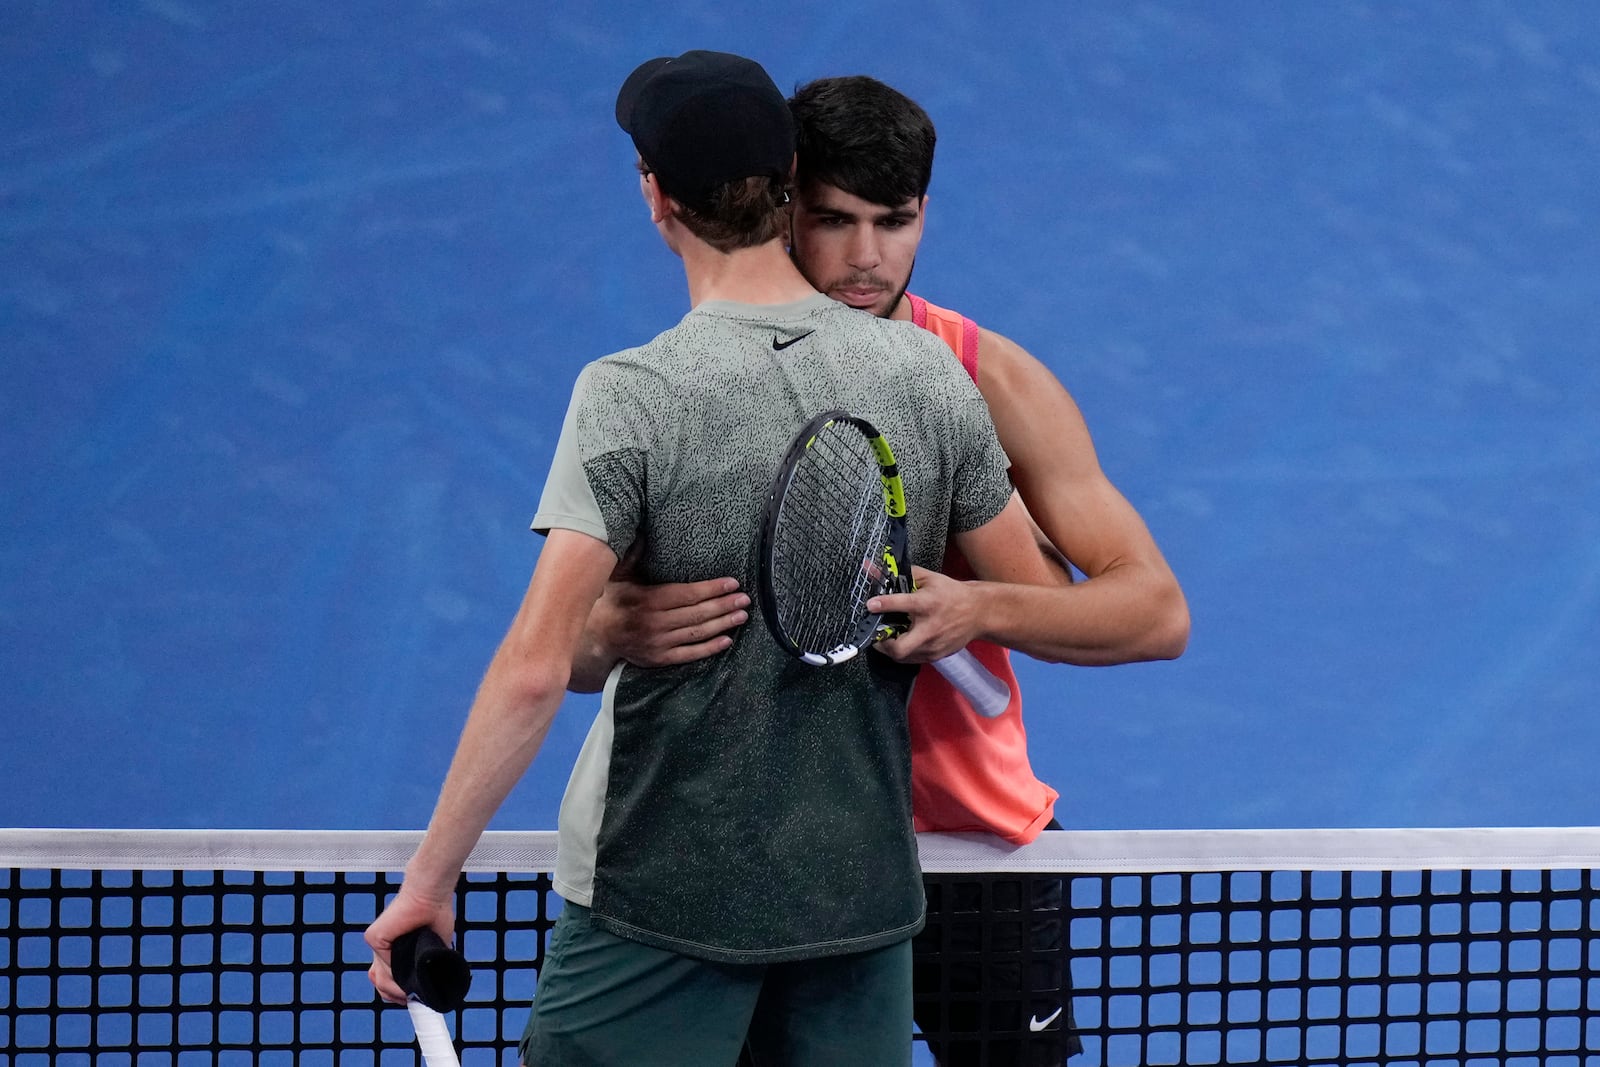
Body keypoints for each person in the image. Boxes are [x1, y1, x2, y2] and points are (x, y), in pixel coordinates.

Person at [364, 52, 1069, 1066]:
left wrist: (432, 878)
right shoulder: (924, 370)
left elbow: (532, 666)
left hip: (662, 905)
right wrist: (944, 603)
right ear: (790, 182)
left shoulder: (632, 393)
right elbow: (1035, 599)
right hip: (858, 907)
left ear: (655, 196)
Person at [577, 75, 1190, 1065]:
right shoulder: (695, 383)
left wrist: (977, 603)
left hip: (969, 852)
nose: (866, 258)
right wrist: (615, 630)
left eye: (893, 221)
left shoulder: (988, 377)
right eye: (832, 219)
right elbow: (569, 647)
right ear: (781, 205)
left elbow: (1153, 613)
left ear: (923, 216)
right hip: (774, 852)